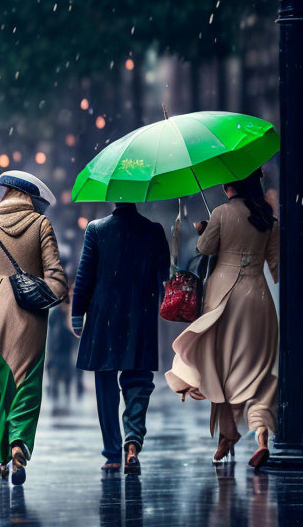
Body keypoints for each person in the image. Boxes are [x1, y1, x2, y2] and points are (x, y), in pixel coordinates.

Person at [166, 169, 279, 470]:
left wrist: (206, 228)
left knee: (220, 367)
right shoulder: (267, 218)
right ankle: (262, 436)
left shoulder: (221, 212)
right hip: (258, 298)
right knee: (258, 370)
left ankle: (227, 432)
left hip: (223, 299)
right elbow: (277, 265)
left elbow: (204, 249)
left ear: (231, 185)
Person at [0, 171, 68, 485]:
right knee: (26, 380)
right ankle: (19, 443)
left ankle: (2, 456)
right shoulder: (41, 225)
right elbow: (56, 278)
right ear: (28, 197)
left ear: (6, 192)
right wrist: (48, 290)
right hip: (27, 314)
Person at [71, 202, 170, 474]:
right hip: (141, 316)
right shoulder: (154, 231)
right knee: (138, 380)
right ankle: (133, 442)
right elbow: (167, 279)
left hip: (104, 317)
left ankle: (112, 453)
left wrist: (77, 314)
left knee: (105, 386)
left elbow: (84, 277)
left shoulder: (96, 230)